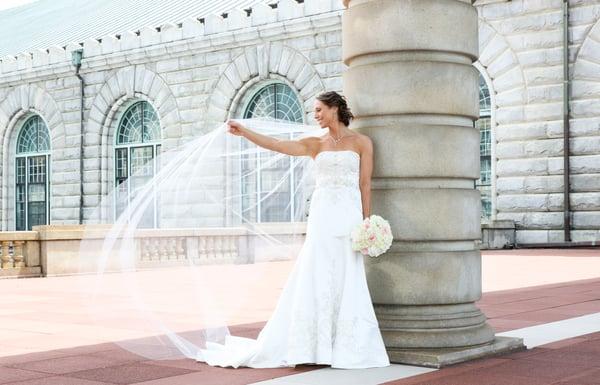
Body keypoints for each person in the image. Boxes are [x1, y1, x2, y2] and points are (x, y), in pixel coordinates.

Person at [196, 91, 390, 369]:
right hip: (323, 217)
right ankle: (313, 346)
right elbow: (276, 144)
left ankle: (347, 345)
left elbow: (365, 185)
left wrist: (367, 223)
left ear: (335, 108)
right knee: (317, 273)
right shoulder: (315, 143)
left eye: (319, 110)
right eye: (315, 111)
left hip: (349, 219)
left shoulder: (362, 142)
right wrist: (246, 133)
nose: (315, 115)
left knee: (349, 274)